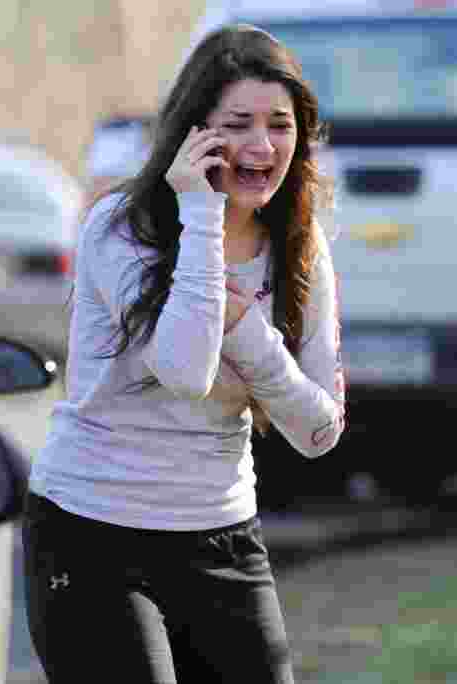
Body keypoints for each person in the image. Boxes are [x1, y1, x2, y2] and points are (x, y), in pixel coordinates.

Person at [23, 24, 346, 684]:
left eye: (280, 125)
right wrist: (200, 215)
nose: (262, 145)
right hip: (90, 533)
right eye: (238, 123)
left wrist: (249, 332)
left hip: (220, 534)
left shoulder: (298, 245)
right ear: (194, 134)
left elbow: (319, 431)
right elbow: (185, 370)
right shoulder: (120, 229)